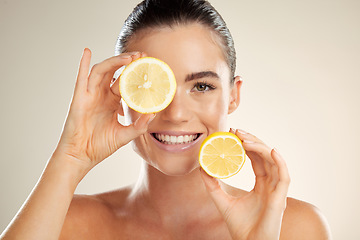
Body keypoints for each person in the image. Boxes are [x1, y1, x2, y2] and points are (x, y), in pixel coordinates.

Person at [0, 0, 331, 239]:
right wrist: (71, 156)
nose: (175, 114)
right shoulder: (67, 224)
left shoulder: (296, 227)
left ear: (233, 95)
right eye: (152, 85)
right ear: (121, 93)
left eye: (201, 86)